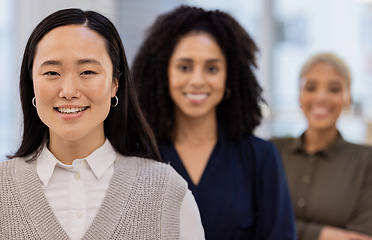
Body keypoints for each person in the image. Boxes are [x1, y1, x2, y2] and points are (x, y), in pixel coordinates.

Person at [0, 8, 205, 240]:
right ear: (32, 84)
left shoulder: (167, 191)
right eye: (52, 72)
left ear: (115, 84)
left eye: (87, 71)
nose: (68, 91)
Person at [131, 5, 296, 239]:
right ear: (163, 74)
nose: (197, 80)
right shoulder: (139, 155)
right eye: (184, 67)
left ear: (229, 76)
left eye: (212, 68)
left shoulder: (261, 158)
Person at [271, 52, 372, 240]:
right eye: (311, 87)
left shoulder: (366, 161)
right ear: (299, 96)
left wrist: (287, 229)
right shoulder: (271, 151)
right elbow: (254, 222)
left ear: (348, 98)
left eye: (334, 89)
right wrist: (322, 234)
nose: (321, 97)